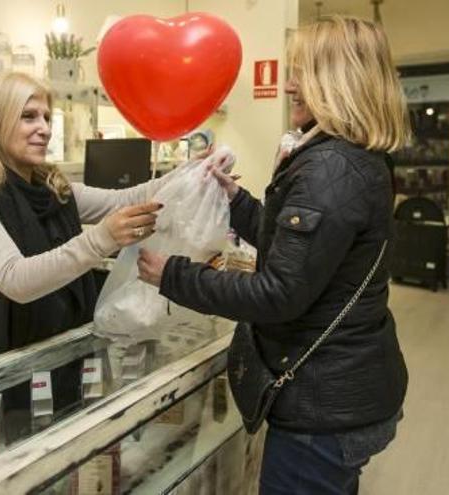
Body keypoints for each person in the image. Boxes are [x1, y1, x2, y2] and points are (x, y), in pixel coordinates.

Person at [137, 16, 409, 495]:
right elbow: (303, 253)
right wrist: (235, 201)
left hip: (322, 404)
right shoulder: (354, 157)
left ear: (337, 80)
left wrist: (174, 275)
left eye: (301, 72)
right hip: (352, 388)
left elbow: (279, 293)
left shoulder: (329, 168)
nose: (288, 85)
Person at [0, 71, 169, 441]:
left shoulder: (54, 188)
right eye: (29, 116)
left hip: (70, 361)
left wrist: (193, 173)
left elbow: (126, 200)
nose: (44, 128)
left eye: (47, 117)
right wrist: (99, 241)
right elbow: (17, 279)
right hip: (8, 383)